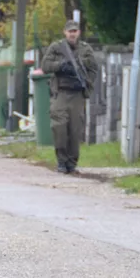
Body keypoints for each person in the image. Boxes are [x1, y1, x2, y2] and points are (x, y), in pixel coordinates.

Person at [35, 20, 98, 174]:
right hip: (61, 93)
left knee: (75, 130)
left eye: (75, 31)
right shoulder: (57, 47)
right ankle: (62, 162)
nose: (72, 33)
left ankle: (72, 162)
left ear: (79, 32)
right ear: (65, 32)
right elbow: (45, 66)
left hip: (77, 94)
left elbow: (93, 69)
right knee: (59, 128)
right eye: (70, 31)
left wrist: (86, 84)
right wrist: (61, 65)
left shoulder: (85, 49)